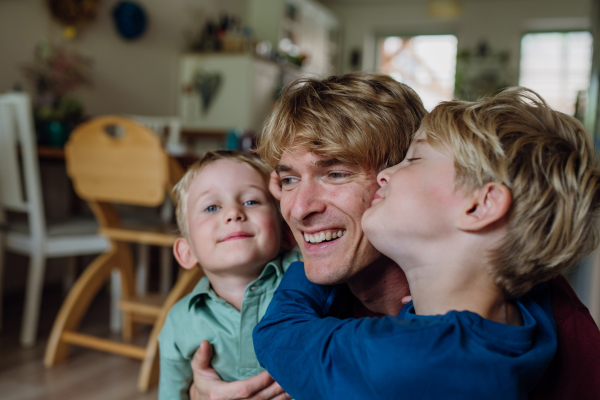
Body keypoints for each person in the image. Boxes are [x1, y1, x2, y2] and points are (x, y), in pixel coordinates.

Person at [189, 73, 600, 400]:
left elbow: (285, 339)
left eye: (336, 173)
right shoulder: (501, 321)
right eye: (289, 179)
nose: (298, 209)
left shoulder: (560, 324)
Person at [158, 150, 300, 400]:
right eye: (211, 207)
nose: (233, 213)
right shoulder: (179, 322)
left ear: (286, 234)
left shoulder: (307, 277)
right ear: (187, 251)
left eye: (251, 201)